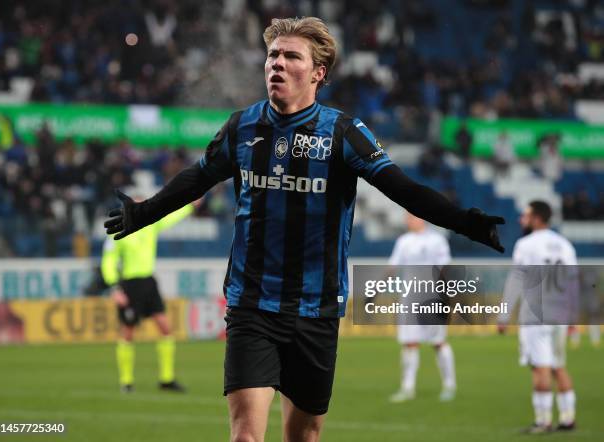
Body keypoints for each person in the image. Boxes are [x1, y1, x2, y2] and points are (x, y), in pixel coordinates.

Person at [105, 17, 505, 442]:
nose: (277, 62)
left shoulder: (344, 133)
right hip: (252, 305)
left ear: (318, 73)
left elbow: (402, 188)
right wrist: (144, 213)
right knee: (244, 436)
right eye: (273, 55)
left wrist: (464, 222)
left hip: (316, 310)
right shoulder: (242, 127)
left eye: (291, 56)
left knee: (304, 436)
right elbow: (197, 178)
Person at [101, 197, 196, 393]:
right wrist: (114, 288)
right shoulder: (118, 231)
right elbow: (108, 261)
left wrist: (189, 206)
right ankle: (126, 382)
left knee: (165, 328)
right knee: (128, 332)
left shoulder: (150, 225)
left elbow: (171, 216)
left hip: (149, 283)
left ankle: (166, 379)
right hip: (129, 285)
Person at [498, 201, 577, 434]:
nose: (522, 219)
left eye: (526, 215)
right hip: (560, 313)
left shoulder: (526, 244)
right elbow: (572, 282)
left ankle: (543, 421)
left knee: (539, 367)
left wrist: (503, 315)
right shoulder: (564, 244)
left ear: (537, 218)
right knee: (558, 367)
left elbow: (516, 280)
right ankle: (567, 418)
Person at [388, 213, 456, 403]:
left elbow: (445, 268)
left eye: (411, 217)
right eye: (406, 218)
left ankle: (449, 385)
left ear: (421, 218)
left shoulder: (437, 240)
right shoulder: (403, 241)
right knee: (409, 342)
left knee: (438, 342)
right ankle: (407, 388)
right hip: (410, 297)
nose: (408, 221)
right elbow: (393, 266)